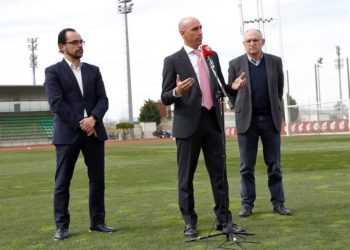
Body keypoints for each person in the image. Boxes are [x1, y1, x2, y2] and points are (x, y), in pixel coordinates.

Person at [161, 16, 246, 237]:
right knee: (185, 177)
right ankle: (189, 222)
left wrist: (232, 87)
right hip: (188, 125)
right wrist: (177, 91)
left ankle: (224, 220)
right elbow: (165, 95)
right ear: (183, 33)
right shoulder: (172, 60)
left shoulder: (211, 55)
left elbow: (218, 86)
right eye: (195, 29)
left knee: (220, 175)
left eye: (201, 28)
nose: (200, 32)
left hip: (212, 121)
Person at [44, 28, 115, 241]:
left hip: (94, 132)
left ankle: (97, 222)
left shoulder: (93, 70)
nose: (79, 45)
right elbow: (56, 103)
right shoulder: (53, 71)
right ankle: (62, 226)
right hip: (68, 134)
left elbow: (103, 100)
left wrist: (93, 119)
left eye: (81, 41)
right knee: (62, 182)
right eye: (74, 42)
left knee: (97, 180)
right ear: (62, 46)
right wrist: (81, 123)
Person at [228, 29, 291, 217]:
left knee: (274, 165)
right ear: (244, 43)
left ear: (263, 41)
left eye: (255, 40)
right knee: (246, 166)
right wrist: (237, 106)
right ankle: (247, 204)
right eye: (248, 40)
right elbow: (230, 91)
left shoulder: (275, 62)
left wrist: (272, 109)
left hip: (270, 120)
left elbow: (278, 90)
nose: (252, 43)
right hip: (247, 121)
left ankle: (278, 203)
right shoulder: (235, 64)